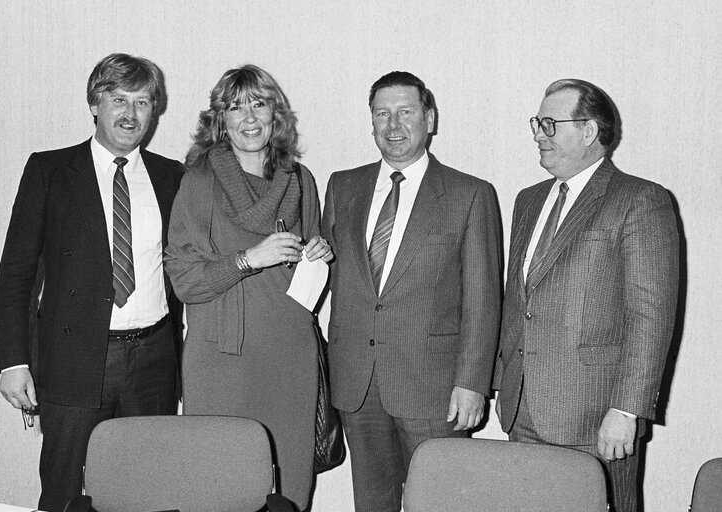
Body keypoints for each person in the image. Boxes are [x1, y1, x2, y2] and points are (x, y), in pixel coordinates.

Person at [0, 53, 184, 512]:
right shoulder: (49, 170)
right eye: (118, 99)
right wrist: (13, 360)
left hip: (154, 358)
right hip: (73, 357)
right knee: (64, 490)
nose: (130, 114)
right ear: (94, 104)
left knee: (145, 492)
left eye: (142, 102)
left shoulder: (171, 175)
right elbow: (17, 272)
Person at [493, 79, 679, 512]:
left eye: (549, 124)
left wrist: (627, 411)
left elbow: (650, 317)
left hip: (595, 418)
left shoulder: (640, 200)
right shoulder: (528, 200)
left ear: (589, 131)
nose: (538, 133)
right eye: (537, 123)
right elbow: (519, 303)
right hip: (523, 412)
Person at [321, 71, 502, 512]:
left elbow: (484, 300)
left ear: (430, 118)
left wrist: (473, 383)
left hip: (435, 388)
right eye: (382, 114)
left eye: (405, 112)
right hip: (357, 383)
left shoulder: (469, 194)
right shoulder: (342, 186)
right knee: (372, 502)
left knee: (438, 502)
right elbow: (326, 271)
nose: (393, 126)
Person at [164, 64, 332, 511]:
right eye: (235, 107)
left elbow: (305, 266)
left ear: (275, 114)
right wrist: (248, 259)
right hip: (223, 358)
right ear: (220, 120)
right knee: (219, 485)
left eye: (259, 103)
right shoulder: (199, 182)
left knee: (289, 486)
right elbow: (183, 279)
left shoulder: (301, 180)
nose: (249, 117)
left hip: (290, 355)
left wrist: (319, 253)